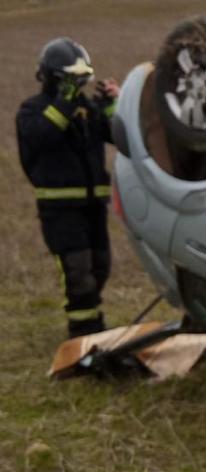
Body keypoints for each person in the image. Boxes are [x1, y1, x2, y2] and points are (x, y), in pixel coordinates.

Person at [16, 38, 120, 338]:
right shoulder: (32, 110)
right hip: (60, 210)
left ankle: (94, 323)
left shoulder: (85, 108)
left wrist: (113, 105)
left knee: (100, 267)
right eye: (72, 78)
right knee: (78, 272)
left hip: (93, 206)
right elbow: (42, 136)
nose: (79, 84)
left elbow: (117, 137)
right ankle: (83, 333)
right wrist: (65, 102)